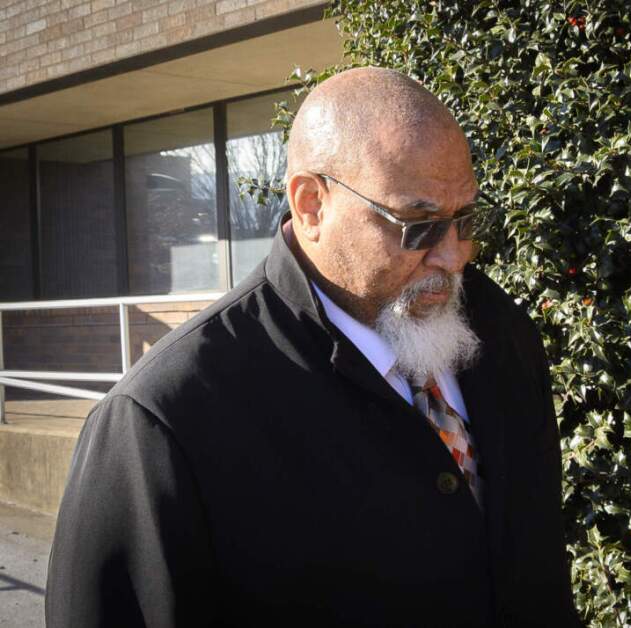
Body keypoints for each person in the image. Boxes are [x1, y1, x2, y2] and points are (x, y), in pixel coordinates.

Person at [46, 67, 580, 627]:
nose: (453, 257)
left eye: (465, 219)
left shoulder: (502, 333)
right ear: (311, 205)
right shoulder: (163, 419)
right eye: (417, 223)